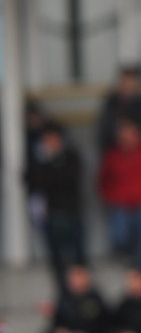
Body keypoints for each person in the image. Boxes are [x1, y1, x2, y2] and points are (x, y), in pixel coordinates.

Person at [97, 121, 141, 272]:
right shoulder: (113, 156)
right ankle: (131, 265)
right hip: (121, 207)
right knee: (120, 237)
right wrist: (111, 198)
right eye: (124, 137)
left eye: (130, 136)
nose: (127, 140)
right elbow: (103, 181)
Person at [24, 124, 86, 290]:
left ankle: (81, 290)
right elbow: (32, 181)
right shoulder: (39, 161)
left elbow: (68, 180)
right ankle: (64, 292)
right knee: (57, 260)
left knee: (77, 258)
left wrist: (51, 170)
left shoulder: (71, 157)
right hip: (51, 215)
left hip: (71, 213)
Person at [96, 65, 141, 152]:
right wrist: (120, 134)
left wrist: (135, 134)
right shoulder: (111, 103)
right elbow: (104, 131)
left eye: (131, 83)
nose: (128, 86)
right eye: (125, 82)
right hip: (115, 150)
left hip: (140, 150)